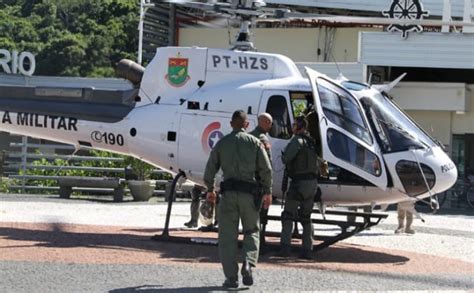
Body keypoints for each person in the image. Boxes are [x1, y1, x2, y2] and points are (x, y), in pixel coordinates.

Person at [204, 110, 273, 289]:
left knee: (227, 237)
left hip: (227, 196)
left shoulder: (222, 143)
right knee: (251, 231)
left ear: (231, 124)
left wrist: (210, 190)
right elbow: (266, 170)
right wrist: (267, 192)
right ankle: (249, 263)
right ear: (246, 124)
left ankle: (231, 278)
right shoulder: (255, 142)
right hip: (249, 195)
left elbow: (210, 169)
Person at [279, 116, 320, 260]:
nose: (292, 126)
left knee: (288, 215)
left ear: (299, 126)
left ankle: (285, 248)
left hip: (299, 184)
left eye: (294, 124)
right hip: (312, 184)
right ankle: (307, 250)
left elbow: (286, 158)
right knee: (306, 218)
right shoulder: (311, 142)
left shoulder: (297, 141)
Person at [249, 113, 273, 249]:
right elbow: (267, 165)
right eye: (270, 123)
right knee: (261, 216)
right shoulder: (263, 139)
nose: (270, 126)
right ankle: (259, 244)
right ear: (266, 122)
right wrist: (268, 187)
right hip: (259, 184)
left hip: (249, 182)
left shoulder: (249, 136)